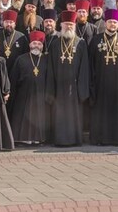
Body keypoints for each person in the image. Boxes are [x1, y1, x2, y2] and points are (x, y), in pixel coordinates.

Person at [45, 11, 90, 146]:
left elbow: (84, 68)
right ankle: (60, 140)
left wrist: (82, 90)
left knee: (74, 115)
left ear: (74, 25)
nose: (69, 27)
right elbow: (51, 68)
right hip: (59, 87)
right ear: (61, 25)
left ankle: (75, 140)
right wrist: (51, 90)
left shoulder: (81, 43)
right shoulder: (55, 44)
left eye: (71, 24)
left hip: (74, 88)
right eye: (66, 24)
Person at [88, 9, 118, 145]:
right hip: (101, 84)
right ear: (105, 23)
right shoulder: (96, 40)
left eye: (114, 22)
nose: (112, 24)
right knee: (101, 113)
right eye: (110, 22)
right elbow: (90, 63)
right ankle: (100, 139)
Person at [10, 31, 49, 145]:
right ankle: (23, 139)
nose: (36, 45)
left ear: (42, 46)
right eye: (34, 43)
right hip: (23, 94)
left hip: (41, 94)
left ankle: (38, 139)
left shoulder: (46, 59)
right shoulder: (21, 59)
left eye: (39, 44)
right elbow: (13, 78)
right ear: (29, 45)